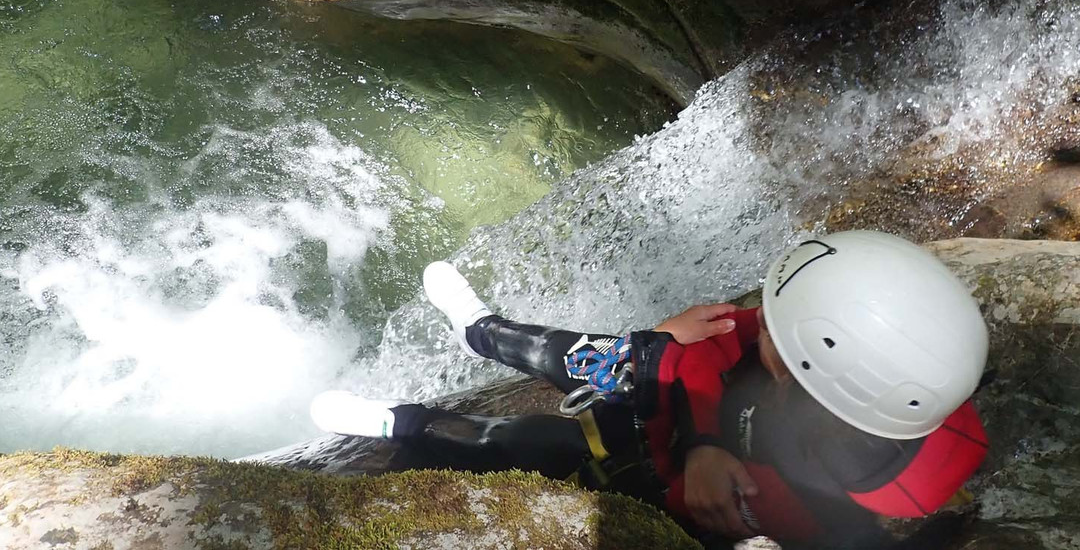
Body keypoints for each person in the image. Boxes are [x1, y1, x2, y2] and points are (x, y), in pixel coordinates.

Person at [311, 231, 990, 548]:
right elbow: (719, 345)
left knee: (509, 439)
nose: (761, 317)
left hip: (639, 467)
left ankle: (398, 424)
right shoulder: (857, 375)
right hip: (666, 407)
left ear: (803, 372)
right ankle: (484, 333)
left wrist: (690, 449)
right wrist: (700, 433)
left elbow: (700, 508)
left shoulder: (823, 513)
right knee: (569, 353)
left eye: (777, 328)